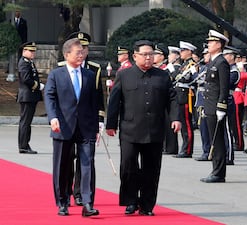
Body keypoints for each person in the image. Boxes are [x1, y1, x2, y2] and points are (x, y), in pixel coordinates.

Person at [106, 40, 181, 214]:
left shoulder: (162, 76)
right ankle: (131, 201)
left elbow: (172, 98)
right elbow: (114, 101)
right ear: (135, 56)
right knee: (128, 166)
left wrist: (175, 118)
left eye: (151, 54)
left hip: (154, 129)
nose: (148, 58)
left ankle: (147, 205)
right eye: (144, 54)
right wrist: (111, 124)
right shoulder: (124, 75)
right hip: (130, 128)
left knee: (152, 169)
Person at [45, 38, 100, 217]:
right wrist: (53, 118)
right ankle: (62, 201)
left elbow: (95, 102)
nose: (82, 55)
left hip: (86, 127)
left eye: (83, 52)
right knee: (62, 165)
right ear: (67, 54)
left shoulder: (89, 75)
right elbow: (50, 97)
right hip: (63, 126)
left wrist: (97, 126)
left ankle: (87, 203)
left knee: (87, 164)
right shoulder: (56, 74)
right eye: (78, 52)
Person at [200, 29, 230, 183]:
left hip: (216, 107)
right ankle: (215, 170)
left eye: (211, 42)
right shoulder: (213, 62)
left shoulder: (222, 63)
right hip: (209, 105)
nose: (209, 44)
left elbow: (224, 87)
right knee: (213, 139)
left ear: (219, 45)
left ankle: (219, 173)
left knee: (217, 141)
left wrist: (221, 107)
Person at [17, 42, 43, 154]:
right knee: (25, 122)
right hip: (27, 96)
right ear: (24, 51)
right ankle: (23, 145)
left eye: (34, 51)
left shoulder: (29, 62)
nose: (33, 53)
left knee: (27, 122)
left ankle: (25, 144)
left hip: (30, 96)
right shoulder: (24, 63)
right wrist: (38, 86)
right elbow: (26, 79)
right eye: (31, 51)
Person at [173, 41, 197, 158]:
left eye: (183, 50)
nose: (181, 53)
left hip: (186, 96)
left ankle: (187, 149)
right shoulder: (184, 65)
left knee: (187, 124)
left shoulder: (192, 64)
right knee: (183, 124)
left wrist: (192, 72)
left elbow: (193, 79)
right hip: (180, 96)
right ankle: (184, 147)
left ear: (189, 52)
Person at [223, 46, 241, 165]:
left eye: (226, 55)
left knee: (228, 129)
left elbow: (227, 83)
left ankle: (229, 156)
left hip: (229, 99)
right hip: (223, 99)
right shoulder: (227, 69)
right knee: (222, 129)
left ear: (231, 56)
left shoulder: (234, 71)